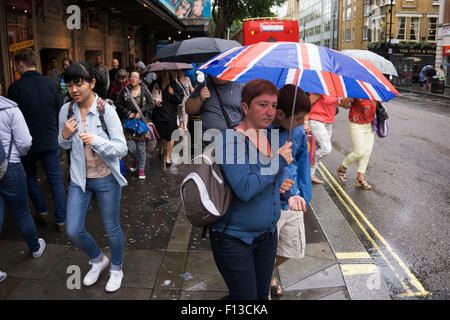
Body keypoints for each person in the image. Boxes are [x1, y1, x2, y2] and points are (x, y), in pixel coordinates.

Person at [210, 79, 293, 300]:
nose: (270, 112)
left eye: (274, 106)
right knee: (244, 298)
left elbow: (269, 180)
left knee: (258, 295)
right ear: (245, 107)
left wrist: (286, 188)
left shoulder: (268, 136)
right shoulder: (229, 140)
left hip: (266, 237)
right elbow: (245, 188)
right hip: (235, 239)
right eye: (263, 104)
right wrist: (278, 162)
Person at [59, 62, 128, 292]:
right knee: (73, 229)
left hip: (107, 178)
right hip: (80, 179)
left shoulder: (105, 109)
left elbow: (121, 148)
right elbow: (62, 143)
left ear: (92, 83)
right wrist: (65, 135)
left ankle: (116, 268)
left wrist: (95, 140)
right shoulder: (66, 110)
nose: (74, 90)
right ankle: (99, 260)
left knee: (112, 227)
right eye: (69, 85)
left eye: (79, 84)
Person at [7, 48, 67, 231]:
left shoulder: (15, 88)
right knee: (56, 180)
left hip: (27, 144)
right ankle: (61, 220)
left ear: (21, 64)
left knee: (30, 177)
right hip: (50, 139)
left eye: (16, 65)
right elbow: (60, 110)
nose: (16, 68)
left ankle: (41, 211)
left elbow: (12, 118)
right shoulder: (50, 83)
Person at [268, 84, 312, 299]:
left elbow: (303, 160)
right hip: (270, 202)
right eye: (298, 118)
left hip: (294, 200)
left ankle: (263, 273)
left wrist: (305, 192)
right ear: (280, 114)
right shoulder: (261, 131)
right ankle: (262, 281)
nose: (302, 123)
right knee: (266, 248)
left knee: (291, 249)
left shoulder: (297, 130)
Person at [0, 96, 46, 269]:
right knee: (21, 211)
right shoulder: (11, 110)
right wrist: (17, 154)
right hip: (11, 166)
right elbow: (25, 142)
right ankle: (35, 247)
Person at [115, 71, 155, 179]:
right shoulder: (124, 91)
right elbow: (117, 104)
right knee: (130, 148)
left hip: (140, 124)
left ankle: (141, 170)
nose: (132, 79)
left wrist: (140, 112)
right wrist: (128, 113)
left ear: (139, 80)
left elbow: (152, 104)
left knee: (141, 148)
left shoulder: (144, 91)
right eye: (131, 77)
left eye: (135, 77)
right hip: (128, 124)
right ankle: (137, 161)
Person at [336, 98, 376, 190]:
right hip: (356, 125)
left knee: (367, 153)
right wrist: (349, 102)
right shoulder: (356, 91)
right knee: (359, 152)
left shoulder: (372, 92)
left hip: (369, 125)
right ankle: (342, 168)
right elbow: (343, 102)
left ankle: (360, 179)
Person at [304, 94, 341, 184]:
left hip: (328, 122)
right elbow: (307, 103)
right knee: (325, 149)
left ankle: (309, 175)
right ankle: (303, 168)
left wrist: (346, 102)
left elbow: (333, 102)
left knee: (317, 149)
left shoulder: (334, 89)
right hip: (316, 121)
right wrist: (305, 121)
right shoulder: (321, 88)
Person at [150, 70, 184, 166]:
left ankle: (168, 157)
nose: (164, 75)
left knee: (170, 137)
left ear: (170, 74)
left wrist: (173, 94)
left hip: (170, 115)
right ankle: (160, 149)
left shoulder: (175, 85)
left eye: (166, 73)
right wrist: (154, 101)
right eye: (162, 73)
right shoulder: (155, 83)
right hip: (158, 114)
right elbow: (149, 96)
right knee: (159, 136)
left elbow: (180, 100)